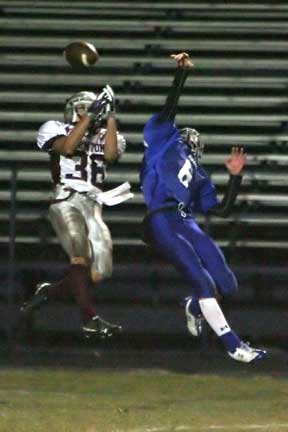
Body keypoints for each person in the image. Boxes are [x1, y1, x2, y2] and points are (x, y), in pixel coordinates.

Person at [140, 52, 266, 363]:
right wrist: (181, 74)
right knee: (204, 281)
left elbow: (220, 210)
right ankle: (234, 345)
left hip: (187, 222)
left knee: (227, 283)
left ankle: (193, 306)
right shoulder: (163, 140)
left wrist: (234, 178)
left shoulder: (200, 174)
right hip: (162, 218)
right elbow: (170, 109)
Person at [21, 85, 133, 339]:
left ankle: (50, 291)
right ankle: (89, 318)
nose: (90, 113)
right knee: (79, 257)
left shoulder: (107, 133)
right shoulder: (54, 128)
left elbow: (112, 155)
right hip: (66, 198)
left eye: (93, 109)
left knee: (101, 271)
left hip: (94, 204)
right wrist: (89, 118)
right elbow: (68, 148)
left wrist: (112, 116)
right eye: (83, 108)